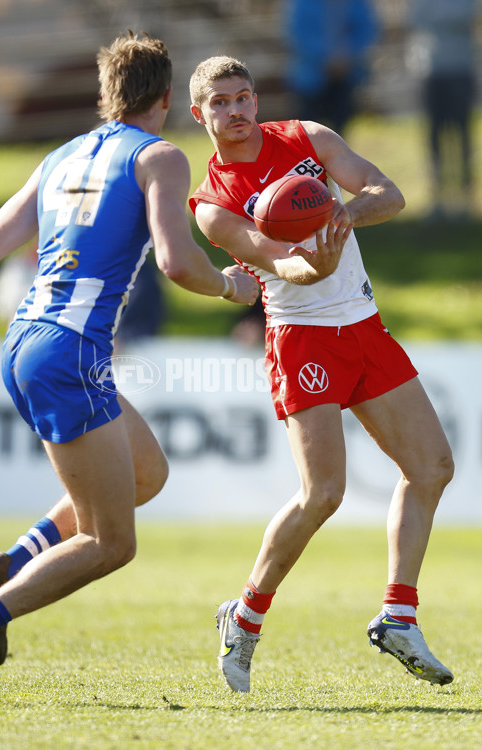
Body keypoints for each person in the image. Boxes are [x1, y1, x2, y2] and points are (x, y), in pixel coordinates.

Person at [0, 32, 260, 704]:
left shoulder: (61, 155)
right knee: (110, 542)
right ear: (164, 97)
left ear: (106, 95)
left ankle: (16, 560)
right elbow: (177, 262)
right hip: (70, 353)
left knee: (146, 472)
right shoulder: (158, 156)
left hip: (25, 341)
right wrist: (230, 288)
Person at [188, 55, 455, 693]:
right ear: (199, 114)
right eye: (220, 102)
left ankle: (398, 616)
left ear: (257, 99)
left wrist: (344, 216)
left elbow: (387, 192)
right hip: (302, 339)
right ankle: (245, 616)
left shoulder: (308, 137)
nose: (235, 110)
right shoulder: (212, 203)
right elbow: (284, 268)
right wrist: (317, 260)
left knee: (432, 467)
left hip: (363, 324)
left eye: (243, 96)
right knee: (323, 495)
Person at [407, 0, 479, 221]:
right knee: (434, 135)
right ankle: (437, 196)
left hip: (460, 69)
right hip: (431, 71)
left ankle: (465, 196)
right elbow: (417, 19)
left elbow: (467, 17)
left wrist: (439, 17)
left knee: (462, 133)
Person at [282, 0, 379, 135]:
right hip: (310, 77)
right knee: (307, 130)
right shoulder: (301, 3)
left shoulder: (357, 3)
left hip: (346, 74)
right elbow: (297, 34)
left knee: (340, 128)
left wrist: (346, 54)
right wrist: (327, 57)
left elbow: (367, 29)